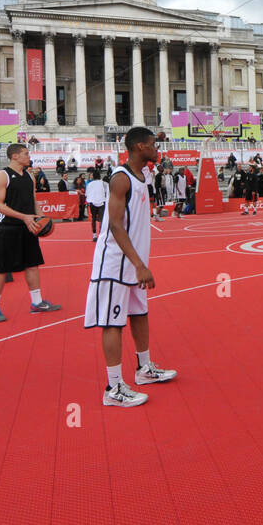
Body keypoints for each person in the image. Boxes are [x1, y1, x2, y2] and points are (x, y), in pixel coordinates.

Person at [85, 127, 177, 407]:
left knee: (140, 313)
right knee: (113, 322)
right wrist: (139, 264)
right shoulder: (121, 178)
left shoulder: (143, 175)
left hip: (133, 262)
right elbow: (113, 225)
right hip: (116, 262)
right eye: (153, 144)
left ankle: (144, 369)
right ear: (139, 147)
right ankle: (113, 388)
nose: (157, 148)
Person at [0, 143, 61, 322]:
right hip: (7, 227)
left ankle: (37, 302)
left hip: (28, 226)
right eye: (26, 154)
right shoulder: (2, 175)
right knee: (2, 268)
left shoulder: (29, 176)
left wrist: (41, 217)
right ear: (15, 156)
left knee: (32, 264)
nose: (29, 156)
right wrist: (24, 217)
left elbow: (33, 200)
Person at [85, 169, 108, 241]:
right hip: (102, 202)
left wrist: (89, 201)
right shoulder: (104, 183)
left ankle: (94, 235)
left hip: (92, 202)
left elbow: (87, 194)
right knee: (101, 219)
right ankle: (101, 235)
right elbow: (108, 192)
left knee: (93, 219)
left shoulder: (89, 184)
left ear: (93, 176)